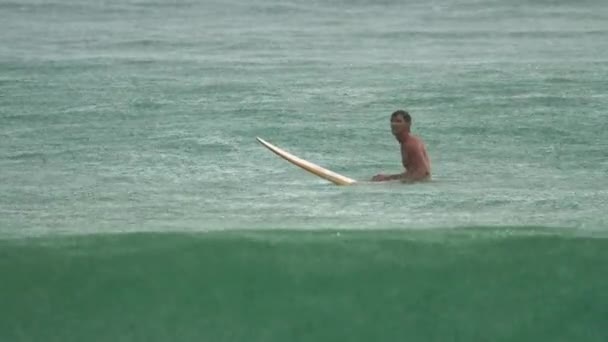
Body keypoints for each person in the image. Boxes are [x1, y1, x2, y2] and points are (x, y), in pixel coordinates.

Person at [371, 110, 431, 183]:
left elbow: (423, 173)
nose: (394, 124)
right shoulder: (406, 143)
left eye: (398, 121)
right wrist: (389, 178)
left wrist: (389, 179)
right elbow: (413, 172)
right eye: (392, 121)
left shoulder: (411, 144)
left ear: (408, 124)